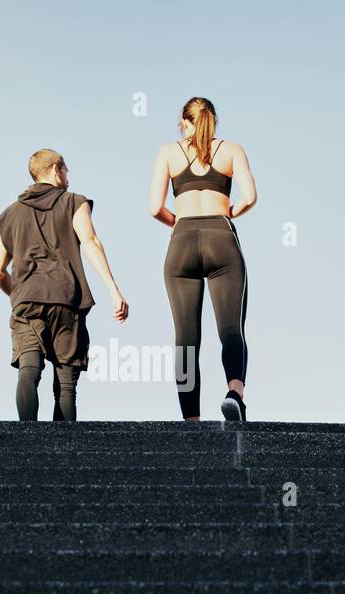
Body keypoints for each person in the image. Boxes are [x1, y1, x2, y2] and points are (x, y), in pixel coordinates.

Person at [0, 149, 128, 421]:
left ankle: (27, 439)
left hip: (27, 300)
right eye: (66, 170)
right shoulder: (74, 202)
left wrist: (17, 294)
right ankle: (63, 452)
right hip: (68, 299)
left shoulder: (10, 214)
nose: (68, 176)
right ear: (56, 169)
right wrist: (113, 288)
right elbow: (90, 242)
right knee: (66, 385)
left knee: (29, 368)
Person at [148, 97, 257, 422]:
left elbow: (154, 207)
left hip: (181, 242)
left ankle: (190, 421)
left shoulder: (167, 152)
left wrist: (180, 222)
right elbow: (250, 197)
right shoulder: (232, 149)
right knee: (231, 328)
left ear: (184, 122)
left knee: (185, 338)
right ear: (213, 120)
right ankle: (234, 393)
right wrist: (224, 215)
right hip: (220, 237)